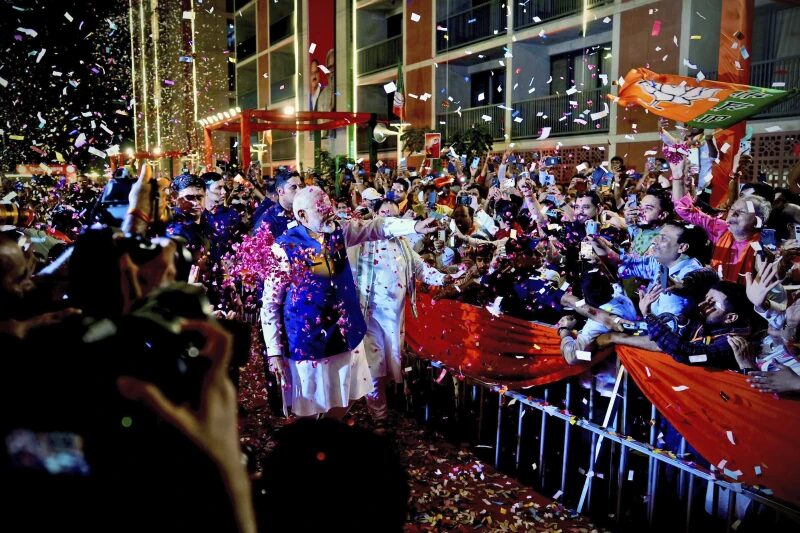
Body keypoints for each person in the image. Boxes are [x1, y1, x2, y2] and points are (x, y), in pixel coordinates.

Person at [261, 186, 438, 419]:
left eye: (330, 207)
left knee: (349, 395)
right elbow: (271, 303)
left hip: (346, 333)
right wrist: (274, 351)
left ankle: (332, 430)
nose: (330, 213)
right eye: (322, 209)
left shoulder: (338, 231)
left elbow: (376, 227)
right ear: (302, 215)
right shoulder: (283, 248)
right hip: (308, 340)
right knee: (311, 406)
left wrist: (413, 227)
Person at [348, 199, 449, 426]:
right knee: (374, 366)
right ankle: (379, 417)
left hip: (394, 320)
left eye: (393, 215)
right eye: (384, 213)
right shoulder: (360, 242)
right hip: (368, 318)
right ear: (375, 214)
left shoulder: (402, 244)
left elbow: (422, 269)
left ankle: (380, 408)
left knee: (388, 366)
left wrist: (446, 279)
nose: (388, 219)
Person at [252, 171, 302, 238]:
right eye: (293, 187)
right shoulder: (267, 222)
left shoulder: (302, 211)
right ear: (280, 191)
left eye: (301, 186)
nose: (299, 191)